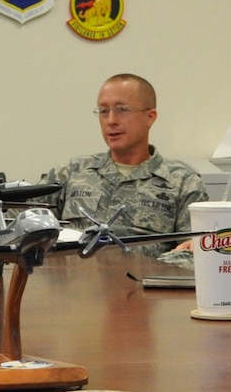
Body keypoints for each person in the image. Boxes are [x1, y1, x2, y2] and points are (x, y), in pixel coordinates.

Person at [40, 74, 208, 260]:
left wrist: (154, 267)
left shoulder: (183, 183)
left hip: (144, 278)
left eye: (122, 110)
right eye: (104, 111)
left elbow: (198, 252)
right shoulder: (71, 173)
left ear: (149, 117)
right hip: (72, 277)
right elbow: (23, 228)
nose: (111, 120)